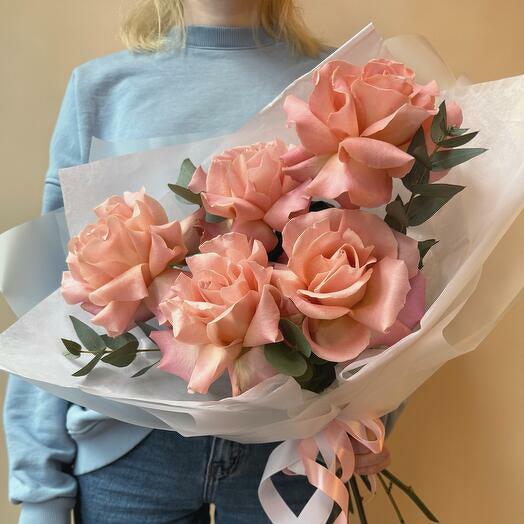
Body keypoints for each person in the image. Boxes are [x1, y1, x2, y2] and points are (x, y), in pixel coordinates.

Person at [3, 1, 405, 522]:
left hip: (292, 451)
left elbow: (392, 265)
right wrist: (40, 489)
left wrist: (373, 412)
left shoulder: (340, 84)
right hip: (127, 447)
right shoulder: (102, 90)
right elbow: (51, 300)